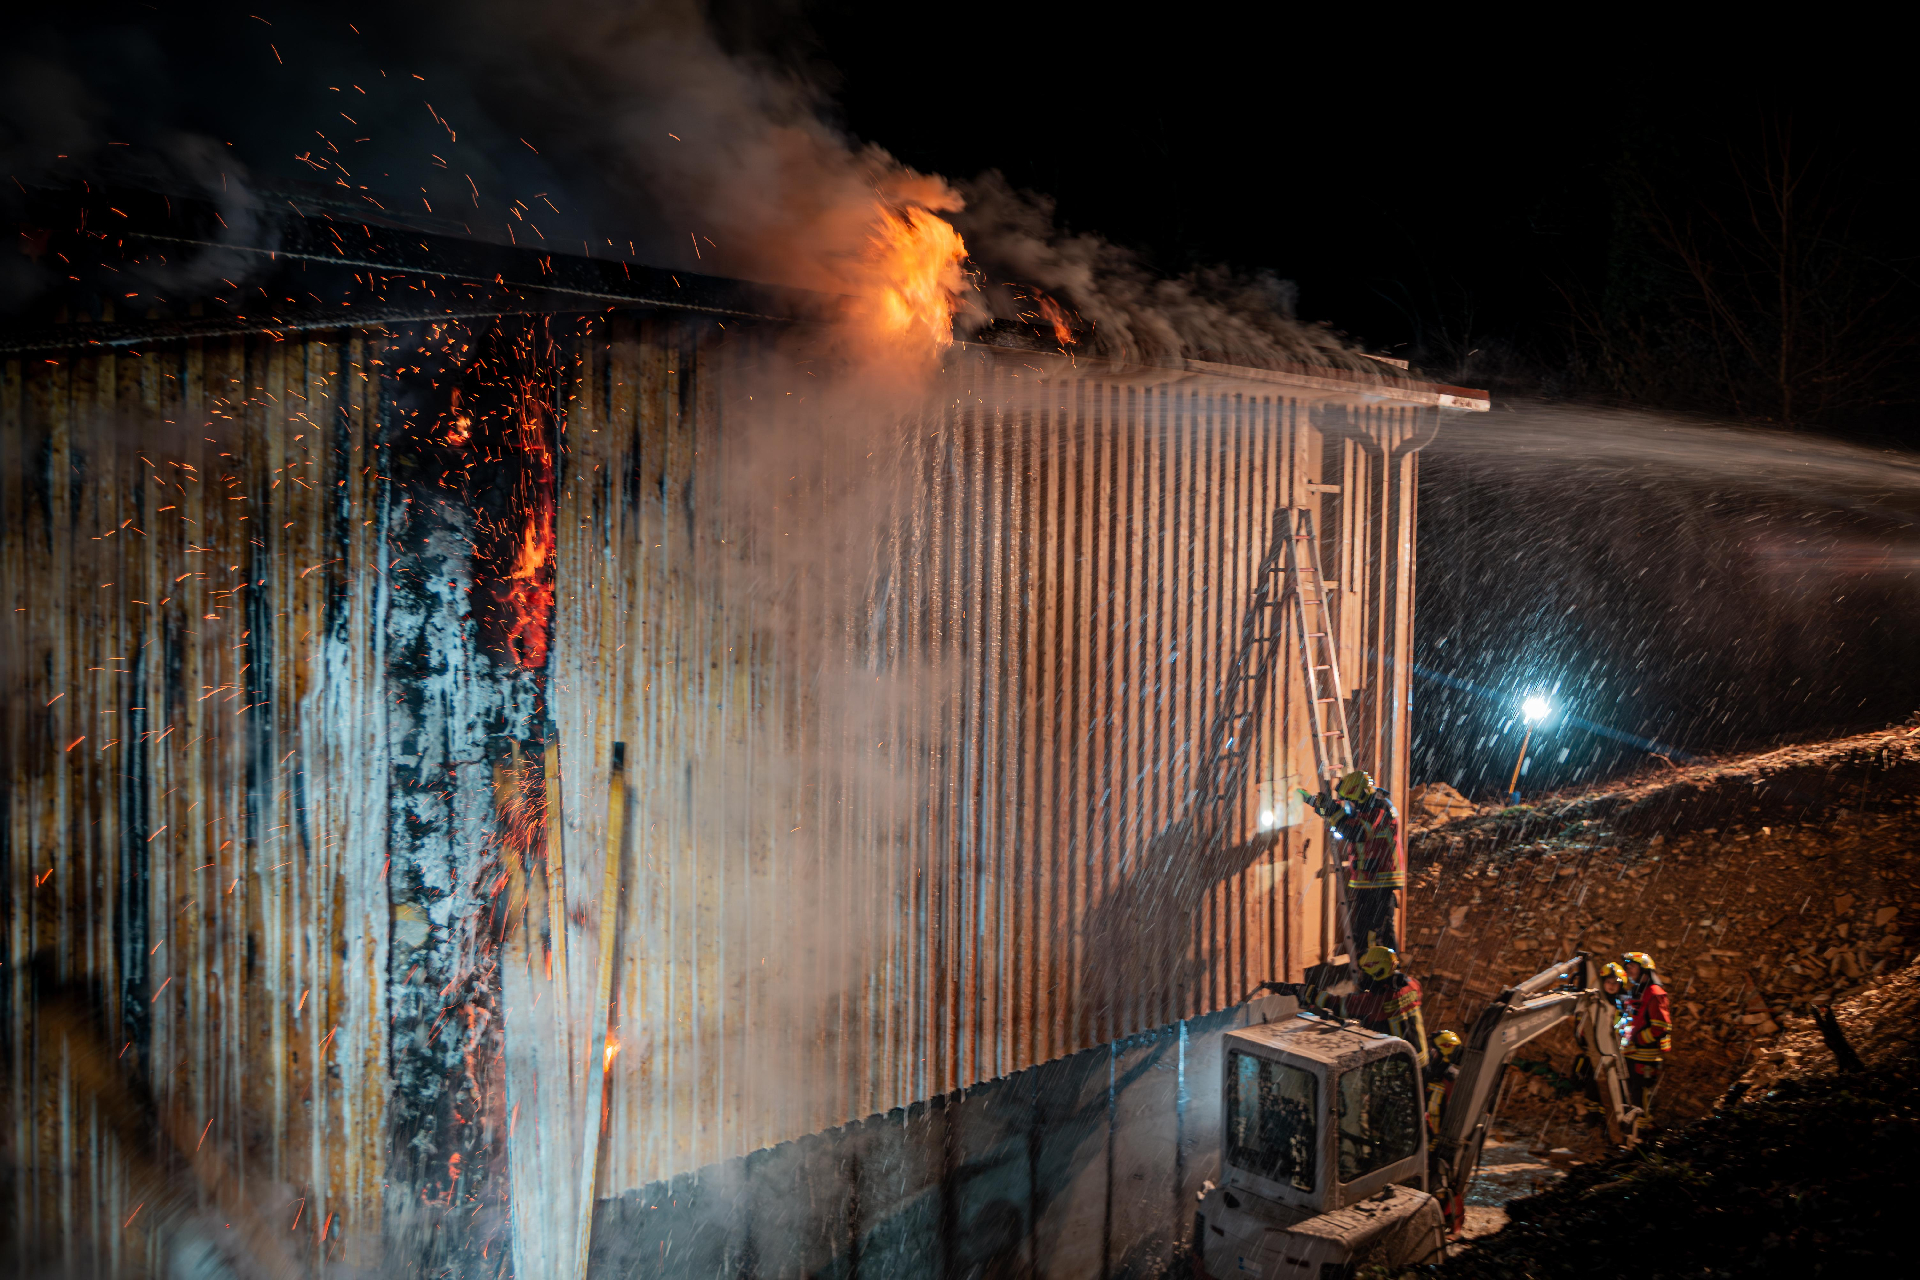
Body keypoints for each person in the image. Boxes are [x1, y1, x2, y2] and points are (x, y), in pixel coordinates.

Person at [1301, 770, 1404, 953]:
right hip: (1368, 878)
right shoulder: (1363, 805)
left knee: (1376, 933)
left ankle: (1383, 975)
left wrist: (1334, 813)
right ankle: (1377, 972)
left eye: (1351, 800)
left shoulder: (1379, 807)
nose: (1349, 804)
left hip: (1381, 878)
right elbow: (1342, 816)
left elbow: (1357, 833)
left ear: (1359, 794)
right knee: (1367, 931)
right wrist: (1311, 800)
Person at [1342, 945, 1427, 1067]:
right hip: (1420, 1059)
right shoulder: (1413, 985)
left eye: (1365, 974)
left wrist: (1311, 995)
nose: (1363, 978)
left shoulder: (1379, 1002)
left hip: (1401, 1067)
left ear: (1378, 972)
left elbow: (1345, 1005)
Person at [1570, 962, 1629, 1126]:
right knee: (1592, 1089)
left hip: (1612, 1056)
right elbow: (1581, 1027)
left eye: (1615, 983)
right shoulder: (1594, 1003)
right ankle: (1592, 1122)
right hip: (1594, 1054)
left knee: (1611, 1091)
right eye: (1609, 982)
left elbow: (1621, 1030)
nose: (1611, 986)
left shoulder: (1619, 1007)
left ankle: (1604, 1123)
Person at [1622, 950, 1670, 1126]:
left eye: (1632, 966)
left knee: (1640, 1096)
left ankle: (1641, 1135)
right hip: (1631, 1054)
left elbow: (1661, 1026)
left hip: (1645, 1057)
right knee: (1630, 1094)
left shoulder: (1655, 993)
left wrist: (1638, 1039)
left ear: (1645, 970)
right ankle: (1630, 1132)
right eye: (1627, 967)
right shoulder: (1636, 991)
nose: (1628, 970)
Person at [1426, 1029, 1463, 1134]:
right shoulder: (1429, 1073)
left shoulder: (1450, 1079)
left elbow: (1449, 1115)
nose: (1430, 1051)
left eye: (1433, 1049)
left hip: (1433, 1137)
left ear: (1444, 1053)